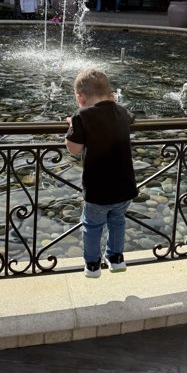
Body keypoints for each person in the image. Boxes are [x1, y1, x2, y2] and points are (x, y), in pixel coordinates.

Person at [65, 69, 138, 278]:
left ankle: (92, 264)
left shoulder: (81, 116)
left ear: (80, 97)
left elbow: (74, 148)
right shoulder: (122, 111)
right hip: (125, 188)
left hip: (98, 190)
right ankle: (115, 258)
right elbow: (130, 120)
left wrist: (71, 125)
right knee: (117, 220)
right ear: (110, 94)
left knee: (92, 225)